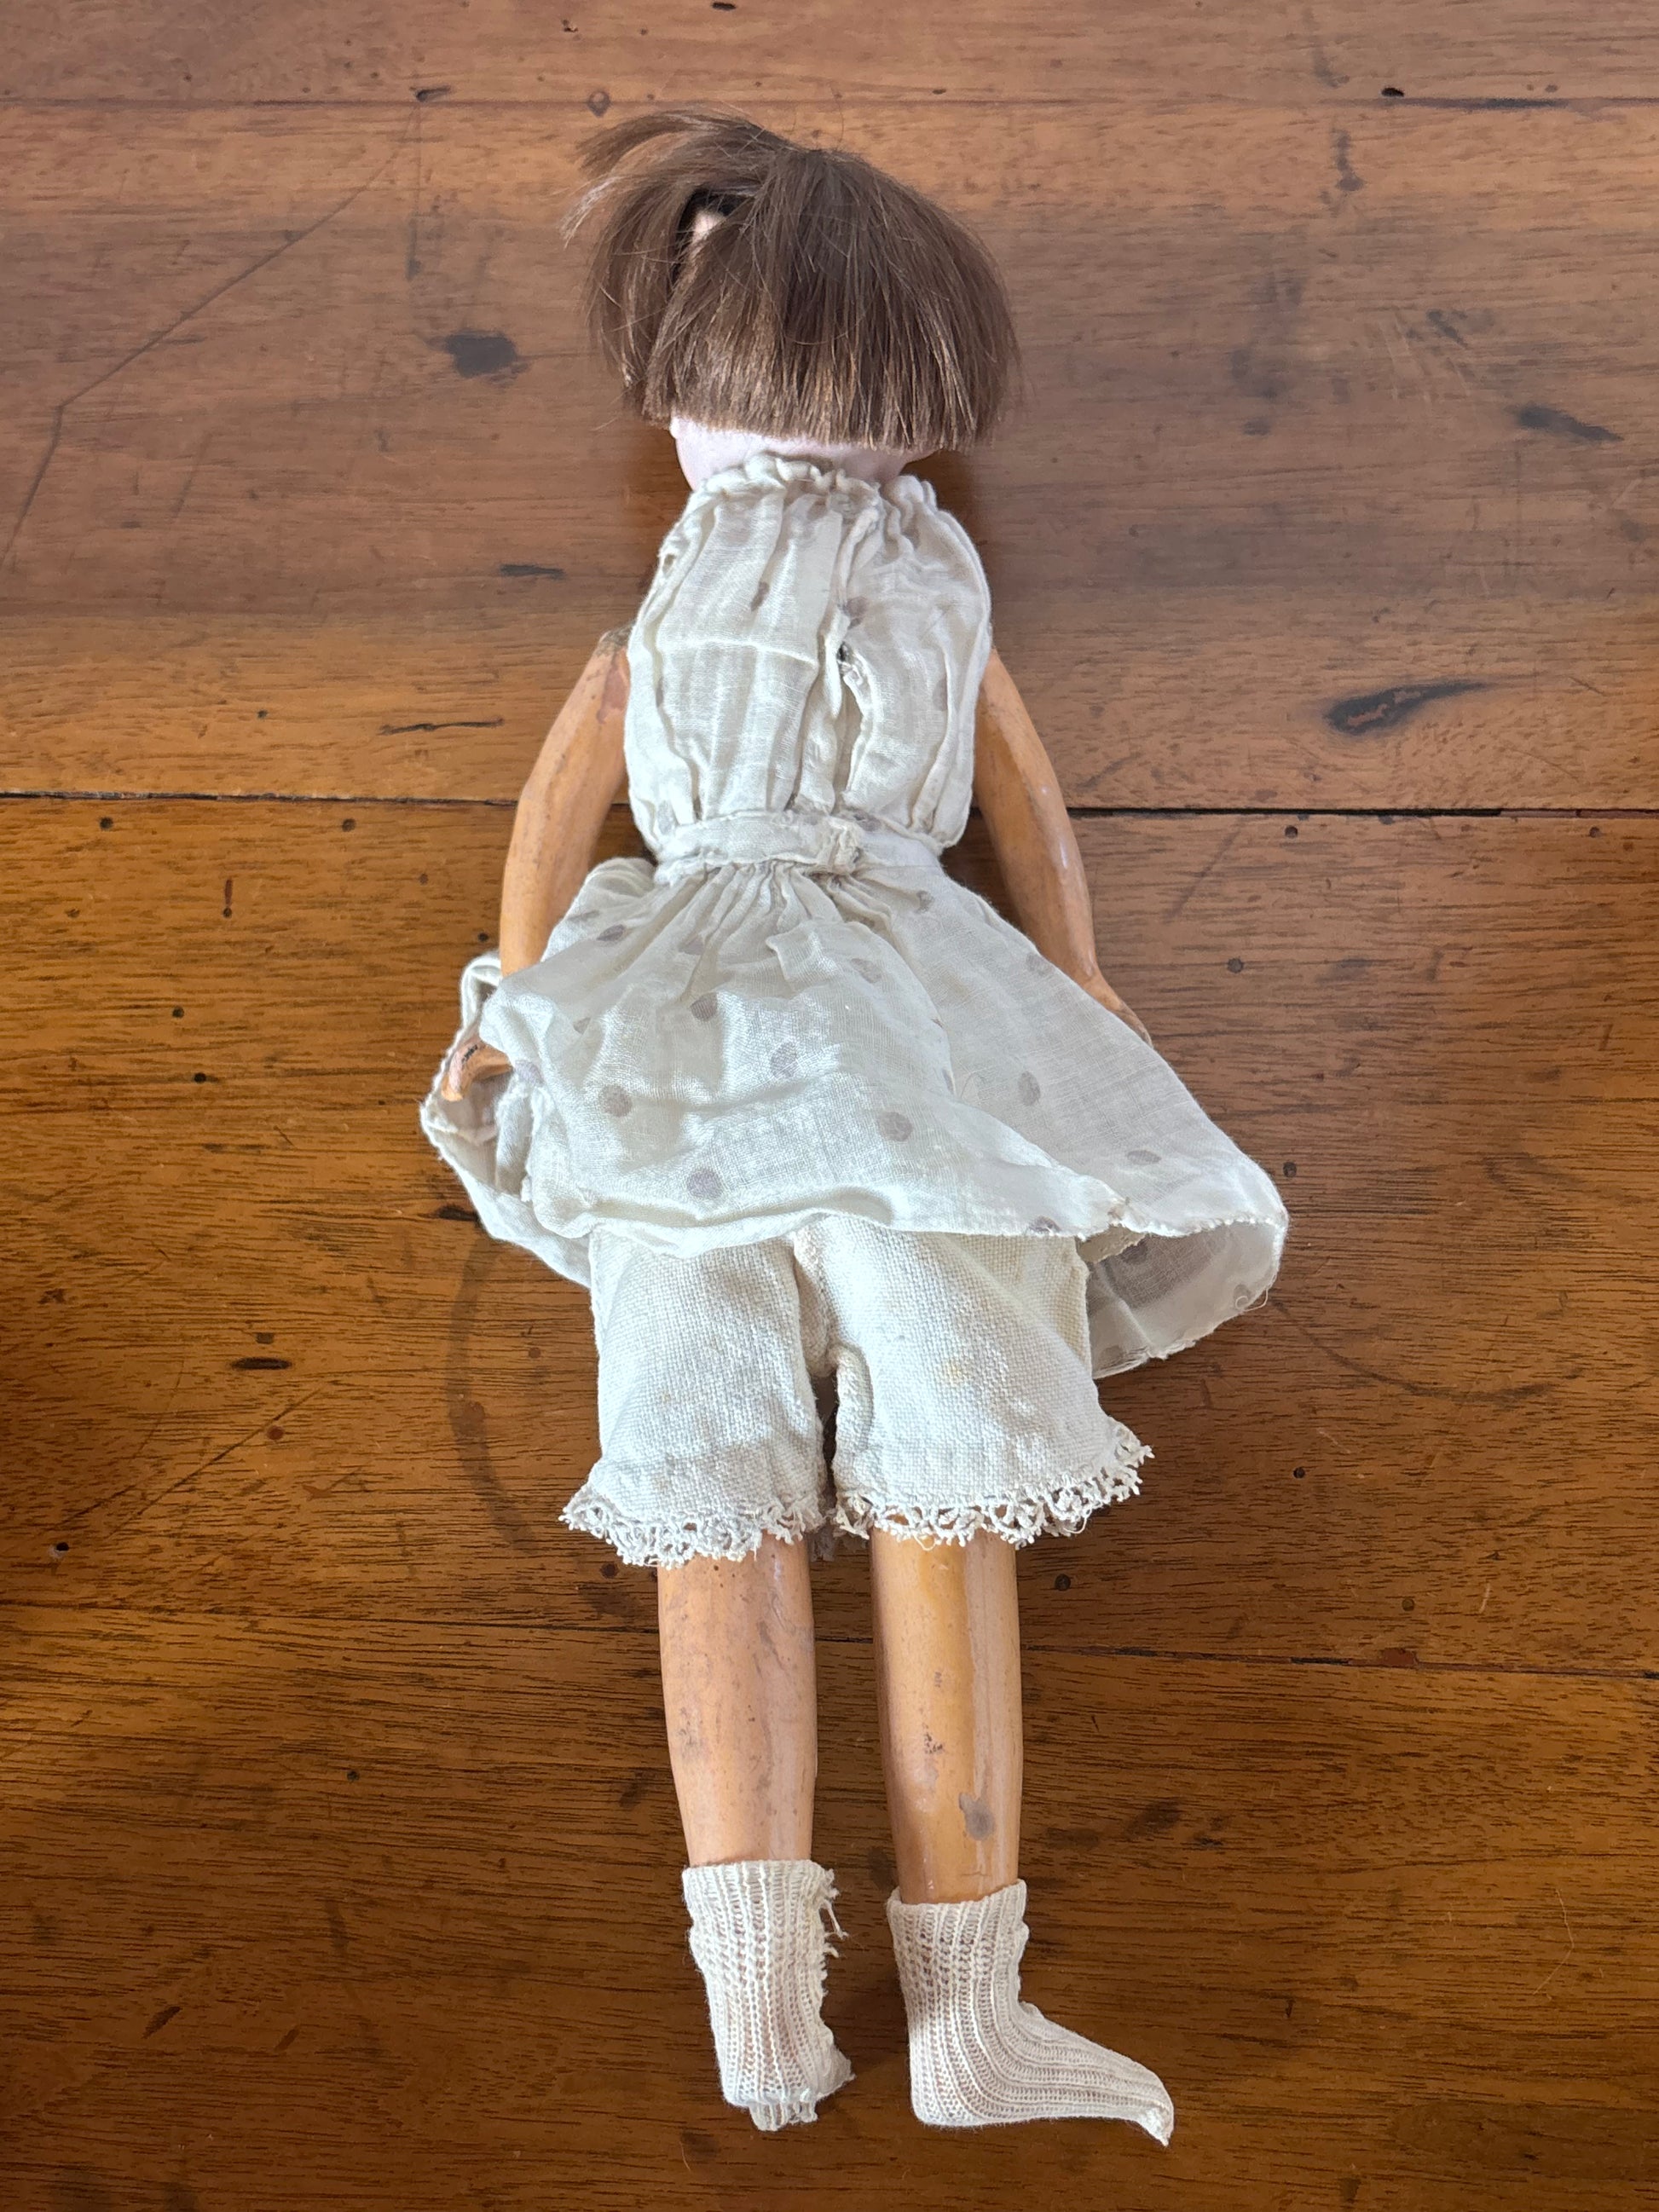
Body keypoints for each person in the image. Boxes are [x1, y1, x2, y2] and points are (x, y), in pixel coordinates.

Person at [424, 107, 1286, 2137]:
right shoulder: (672, 594)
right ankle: (759, 2006)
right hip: (692, 1017)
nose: (817, 438)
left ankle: (973, 2004)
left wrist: (1079, 974)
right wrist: (518, 989)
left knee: (944, 1453)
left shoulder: (931, 579)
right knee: (703, 1464)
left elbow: (1015, 782)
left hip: (907, 1004)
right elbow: (569, 786)